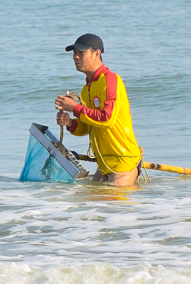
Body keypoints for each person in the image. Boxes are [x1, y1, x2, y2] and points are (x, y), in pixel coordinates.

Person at [54, 34, 142, 186]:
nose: (76, 57)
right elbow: (89, 126)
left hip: (123, 160)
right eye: (74, 54)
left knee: (113, 206)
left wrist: (75, 108)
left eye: (81, 53)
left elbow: (106, 119)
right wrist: (69, 123)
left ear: (97, 54)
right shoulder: (86, 88)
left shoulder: (110, 79)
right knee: (90, 206)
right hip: (104, 163)